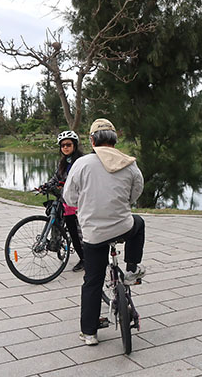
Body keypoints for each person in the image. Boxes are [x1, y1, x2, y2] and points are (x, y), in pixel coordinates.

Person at [63, 118, 145, 346]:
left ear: (92, 140)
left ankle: (89, 333)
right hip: (122, 226)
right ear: (115, 140)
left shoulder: (81, 164)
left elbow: (69, 197)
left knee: (92, 281)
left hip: (94, 234)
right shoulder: (129, 163)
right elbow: (136, 191)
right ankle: (131, 269)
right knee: (138, 223)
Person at [37, 130, 85, 272]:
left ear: (74, 145)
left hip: (80, 203)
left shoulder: (81, 162)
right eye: (63, 145)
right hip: (67, 203)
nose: (65, 147)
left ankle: (88, 259)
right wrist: (45, 186)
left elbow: (84, 181)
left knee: (80, 233)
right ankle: (79, 256)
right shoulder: (63, 163)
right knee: (70, 229)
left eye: (68, 144)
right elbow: (56, 178)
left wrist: (68, 185)